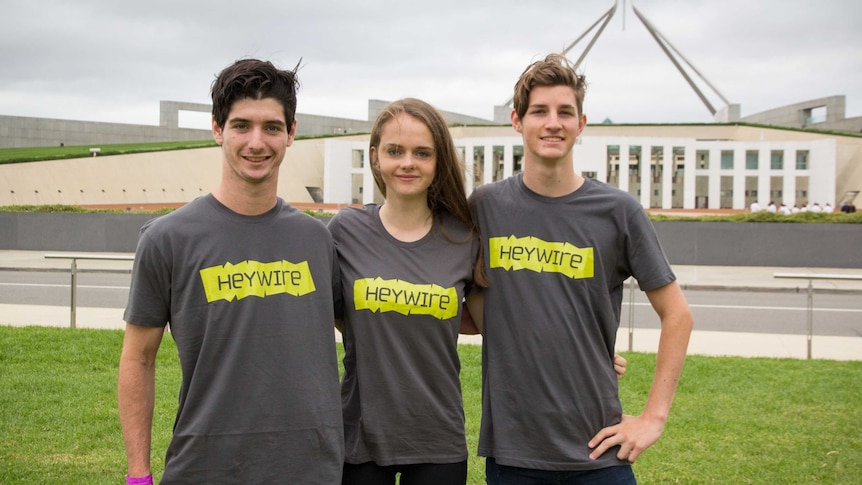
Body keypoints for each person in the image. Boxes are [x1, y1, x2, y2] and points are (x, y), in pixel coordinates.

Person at [468, 53, 693, 484]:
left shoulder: (618, 211)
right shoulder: (486, 207)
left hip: (598, 451)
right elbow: (471, 301)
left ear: (581, 123)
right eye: (539, 111)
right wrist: (567, 344)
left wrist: (653, 418)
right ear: (517, 121)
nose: (553, 122)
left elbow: (678, 315)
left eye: (564, 112)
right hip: (515, 452)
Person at [117, 59, 344, 484]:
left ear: (291, 133)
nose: (257, 142)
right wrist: (137, 475)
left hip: (310, 470)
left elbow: (359, 336)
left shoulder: (317, 240)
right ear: (218, 129)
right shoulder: (167, 239)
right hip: (205, 469)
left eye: (272, 127)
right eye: (241, 125)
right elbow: (138, 358)